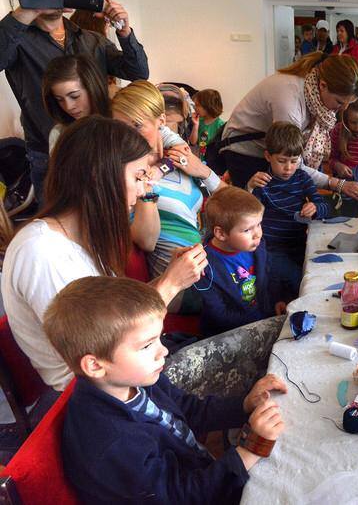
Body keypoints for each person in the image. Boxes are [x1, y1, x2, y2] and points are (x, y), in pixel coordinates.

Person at [1, 116, 207, 391]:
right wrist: (170, 285)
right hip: (92, 394)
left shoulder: (85, 236)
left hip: (120, 376)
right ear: (98, 177)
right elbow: (103, 344)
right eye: (138, 177)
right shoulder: (41, 252)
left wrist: (169, 276)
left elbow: (115, 315)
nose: (144, 189)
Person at [47, 276, 287, 504]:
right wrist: (250, 450)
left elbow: (190, 409)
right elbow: (181, 498)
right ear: (95, 365)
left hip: (200, 471)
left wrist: (244, 405)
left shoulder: (136, 380)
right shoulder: (112, 445)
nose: (163, 351)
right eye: (147, 345)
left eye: (159, 338)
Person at [0, 0, 149, 202]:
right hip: (49, 156)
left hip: (100, 151)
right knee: (58, 221)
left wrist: (124, 31)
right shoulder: (16, 42)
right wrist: (30, 9)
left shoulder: (91, 40)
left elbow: (138, 73)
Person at [112, 81, 226, 293]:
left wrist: (203, 171)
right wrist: (147, 183)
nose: (128, 136)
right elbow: (146, 241)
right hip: (176, 278)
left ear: (161, 122)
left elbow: (230, 198)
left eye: (137, 125)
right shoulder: (128, 173)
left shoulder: (176, 153)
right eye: (120, 128)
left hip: (206, 261)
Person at [221, 51, 358, 200]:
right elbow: (293, 161)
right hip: (245, 152)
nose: (343, 109)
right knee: (257, 207)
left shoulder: (311, 88)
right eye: (340, 102)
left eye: (348, 103)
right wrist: (337, 184)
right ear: (323, 85)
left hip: (270, 150)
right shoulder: (290, 102)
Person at [247, 122, 329, 301]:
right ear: (268, 156)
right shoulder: (261, 182)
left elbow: (324, 206)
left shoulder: (302, 178)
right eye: (282, 161)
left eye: (294, 161)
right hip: (271, 249)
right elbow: (245, 215)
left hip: (299, 246)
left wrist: (315, 208)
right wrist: (250, 189)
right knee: (296, 282)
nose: (288, 168)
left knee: (309, 278)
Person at [197, 187, 281, 337]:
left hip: (264, 317)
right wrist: (261, 319)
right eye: (247, 230)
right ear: (221, 233)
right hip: (229, 334)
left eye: (259, 224)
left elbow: (269, 274)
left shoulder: (256, 246)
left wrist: (277, 300)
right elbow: (218, 315)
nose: (258, 234)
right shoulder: (203, 267)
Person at [41, 54, 111, 152]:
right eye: (59, 99)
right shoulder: (59, 134)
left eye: (74, 96)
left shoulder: (119, 121)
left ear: (92, 89)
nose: (68, 107)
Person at [189, 88, 225, 162]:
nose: (195, 108)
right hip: (199, 160)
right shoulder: (199, 121)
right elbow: (193, 142)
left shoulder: (221, 126)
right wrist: (196, 125)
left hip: (212, 162)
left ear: (208, 106)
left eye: (197, 105)